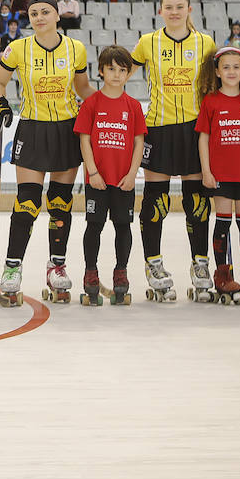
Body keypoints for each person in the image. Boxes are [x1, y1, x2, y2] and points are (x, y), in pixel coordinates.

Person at [0, 0, 92, 303]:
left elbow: (84, 90)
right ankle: (12, 267)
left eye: (45, 11)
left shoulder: (76, 49)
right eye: (34, 13)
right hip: (32, 129)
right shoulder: (17, 49)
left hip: (66, 129)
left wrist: (110, 106)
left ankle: (56, 267)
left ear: (57, 14)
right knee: (27, 203)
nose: (39, 17)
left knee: (60, 203)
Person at [127, 0, 217, 302]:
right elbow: (120, 73)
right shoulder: (147, 42)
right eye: (169, 7)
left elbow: (220, 83)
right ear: (160, 11)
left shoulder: (205, 43)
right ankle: (154, 265)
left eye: (180, 6)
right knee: (156, 202)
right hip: (159, 129)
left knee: (197, 203)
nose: (175, 11)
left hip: (195, 131)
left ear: (190, 9)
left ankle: (201, 265)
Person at [195, 47, 240, 305]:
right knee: (223, 224)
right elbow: (203, 139)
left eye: (236, 67)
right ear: (216, 71)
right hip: (221, 175)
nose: (231, 72)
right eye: (226, 67)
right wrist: (206, 171)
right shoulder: (211, 101)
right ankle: (223, 274)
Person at [74, 46, 146, 306]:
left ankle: (121, 272)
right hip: (97, 180)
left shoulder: (134, 106)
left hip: (124, 180)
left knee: (122, 226)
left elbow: (139, 143)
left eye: (122, 70)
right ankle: (90, 273)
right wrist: (92, 172)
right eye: (111, 69)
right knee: (94, 225)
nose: (116, 75)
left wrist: (132, 173)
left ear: (128, 74)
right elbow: (85, 140)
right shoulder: (91, 104)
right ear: (101, 71)